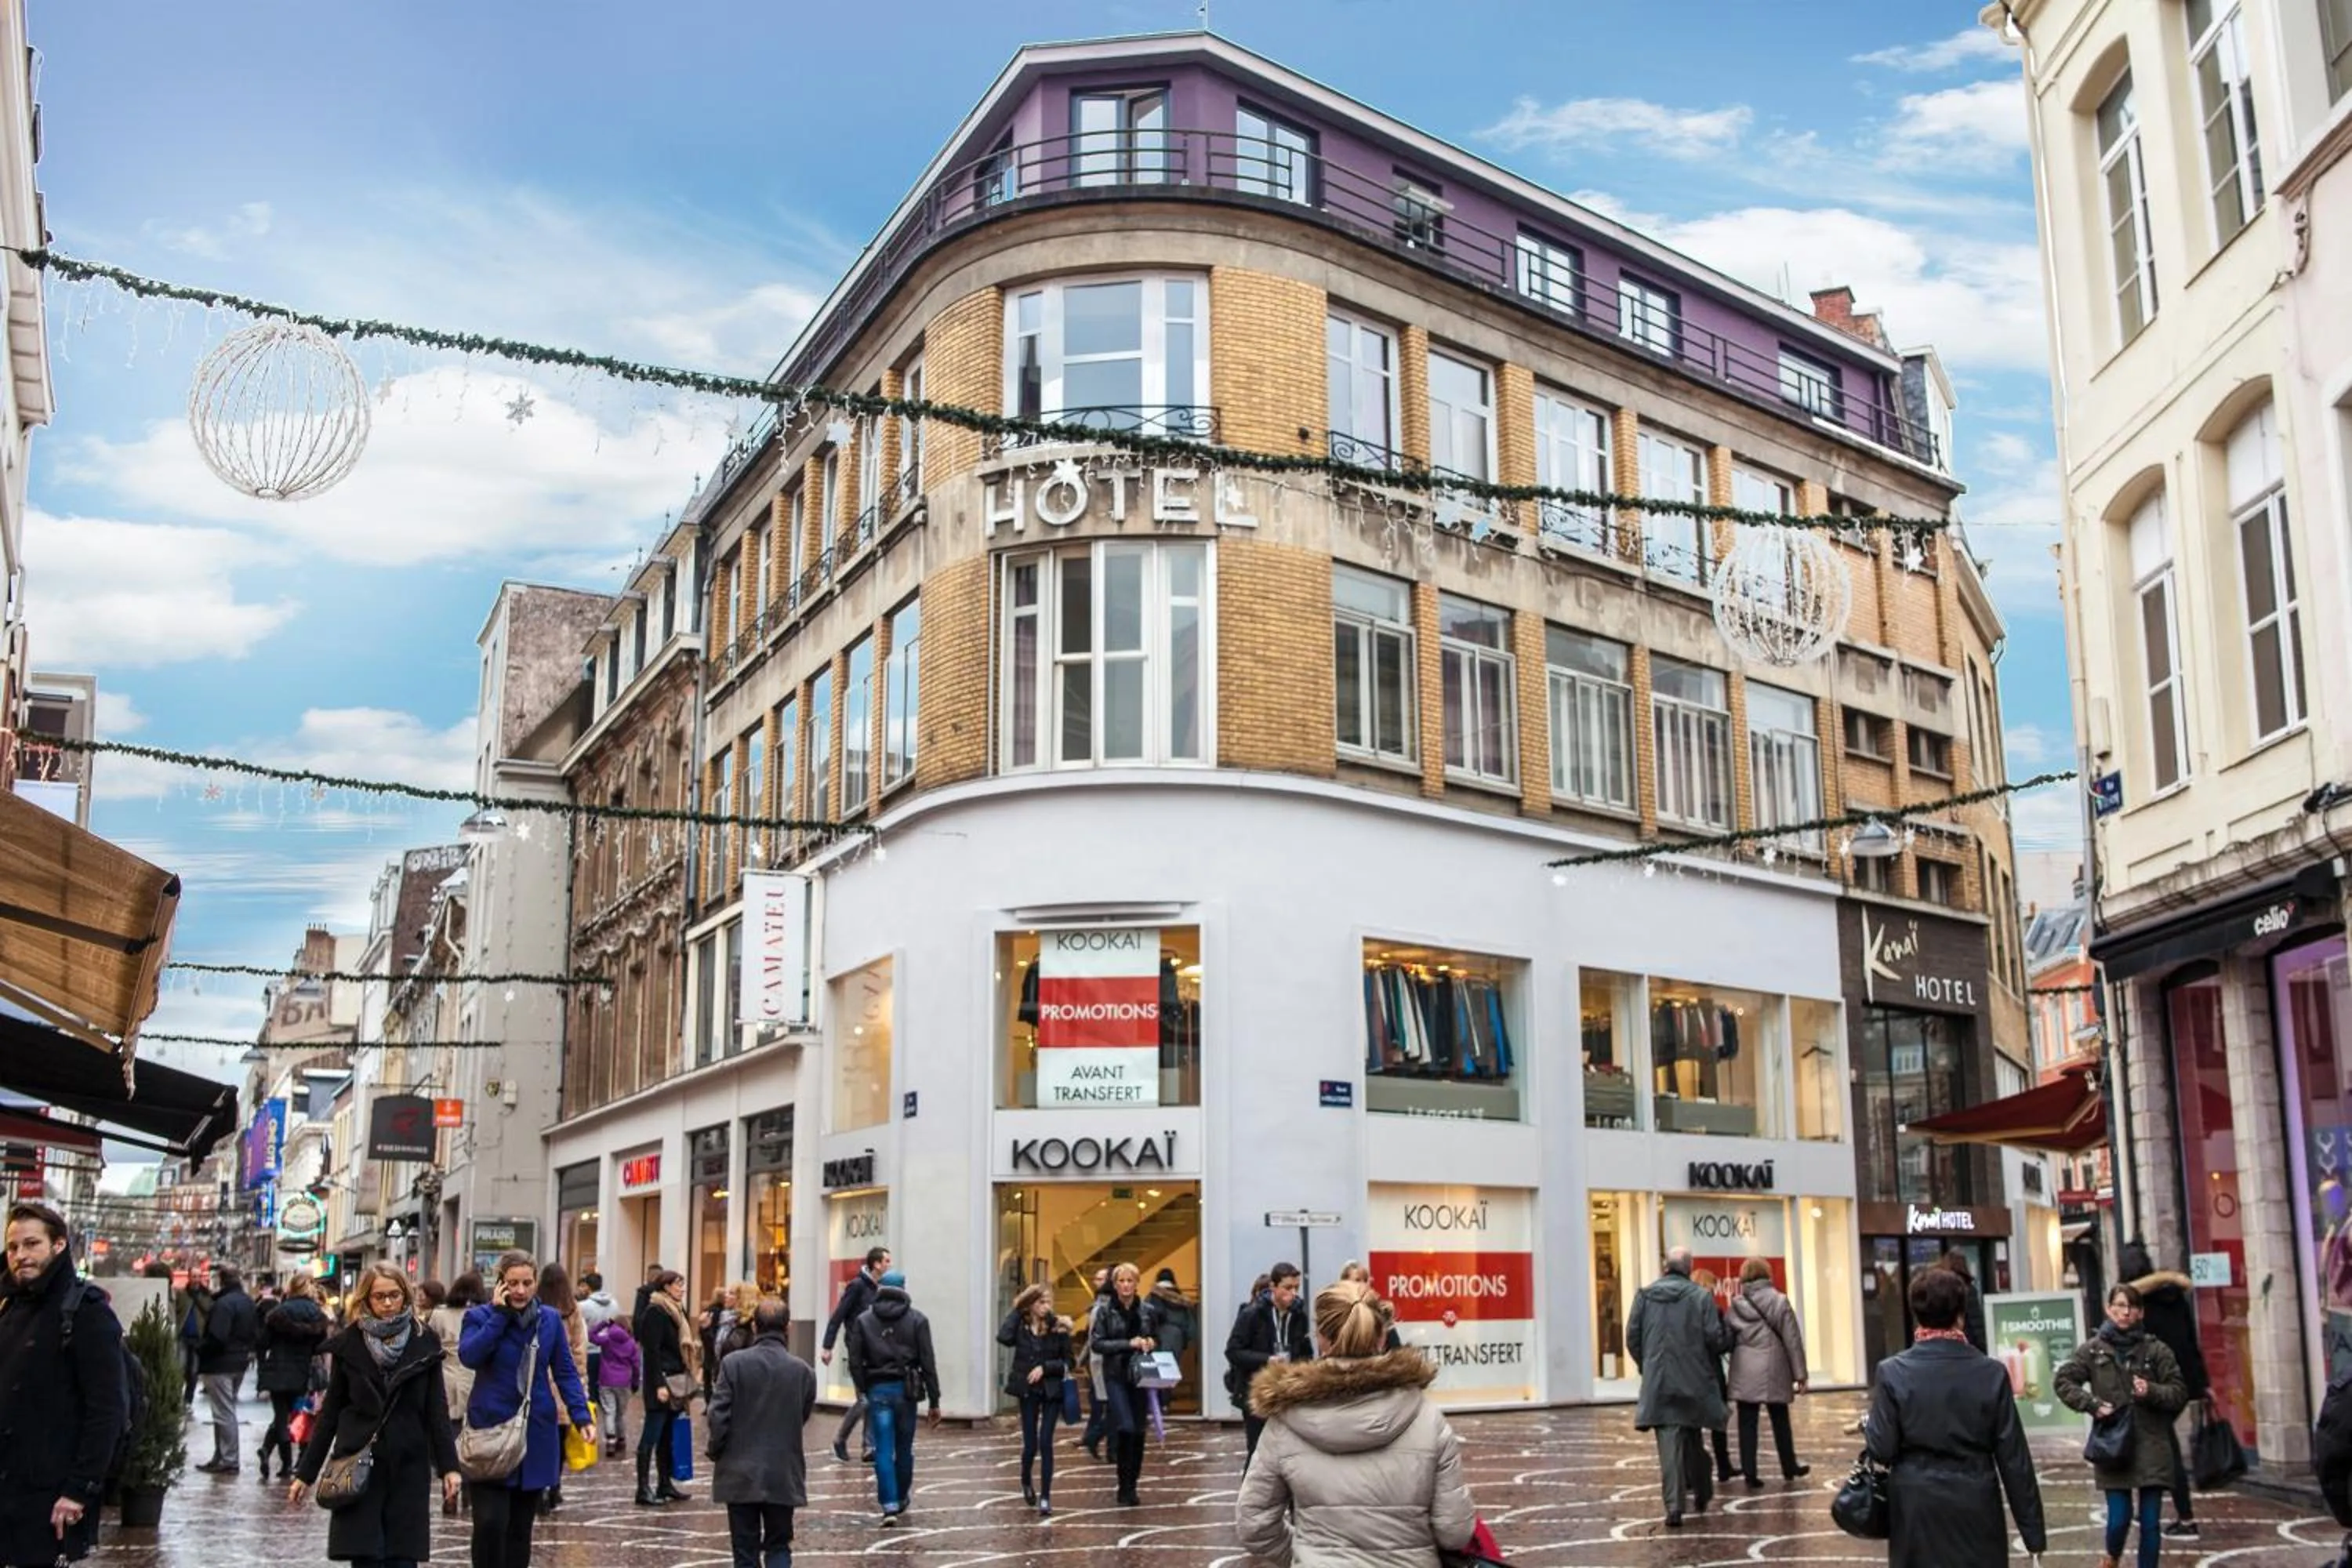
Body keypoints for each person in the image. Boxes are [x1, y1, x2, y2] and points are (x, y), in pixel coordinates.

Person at [1235, 1279, 1476, 1566]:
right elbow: (1454, 1532)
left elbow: (1254, 1524)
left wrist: (1306, 1555)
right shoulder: (1427, 1418)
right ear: (1382, 1337)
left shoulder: (1285, 1422)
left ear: (1321, 1339)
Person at [1867, 1265, 2046, 1567]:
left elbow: (1881, 1448)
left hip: (1915, 1506)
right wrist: (2033, 1535)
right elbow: (2014, 1459)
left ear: (1916, 1314)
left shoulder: (1892, 1373)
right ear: (1960, 1315)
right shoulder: (1991, 1373)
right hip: (1975, 1502)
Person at [288, 1263, 463, 1566]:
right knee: (366, 1557)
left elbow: (436, 1409)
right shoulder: (350, 1344)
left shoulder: (424, 1342)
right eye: (379, 1296)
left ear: (405, 1295)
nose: (388, 1303)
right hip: (359, 1466)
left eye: (394, 1295)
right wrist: (306, 1473)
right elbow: (330, 1414)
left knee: (401, 1559)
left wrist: (450, 1467)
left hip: (407, 1467)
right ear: (366, 1299)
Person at [0, 1201, 128, 1568]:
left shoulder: (85, 1311)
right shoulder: (9, 1307)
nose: (20, 1256)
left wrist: (79, 1489)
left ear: (58, 1245)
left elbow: (108, 1410)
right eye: (13, 1247)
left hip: (47, 1495)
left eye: (31, 1244)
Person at [458, 1250, 595, 1568]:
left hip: (535, 1430)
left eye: (527, 1283)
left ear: (536, 1283)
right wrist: (499, 1316)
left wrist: (581, 1415)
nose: (520, 1290)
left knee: (520, 1529)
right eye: (513, 1283)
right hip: (491, 1432)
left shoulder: (549, 1319)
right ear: (500, 1283)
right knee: (490, 1524)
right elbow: (470, 1356)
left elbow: (565, 1371)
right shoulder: (479, 1317)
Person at [2056, 1283, 2189, 1568]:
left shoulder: (2156, 1350)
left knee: (2150, 1523)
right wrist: (2092, 1405)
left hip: (2152, 1444)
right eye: (2119, 1306)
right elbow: (2064, 1381)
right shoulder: (2093, 1351)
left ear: (2141, 1312)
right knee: (2119, 1518)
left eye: (2132, 1307)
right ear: (2109, 1309)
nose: (2125, 1312)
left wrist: (2151, 1391)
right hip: (2113, 1445)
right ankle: (2112, 1557)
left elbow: (2179, 1392)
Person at [1625, 1246, 1733, 1528]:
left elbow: (1632, 1337)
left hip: (1659, 1380)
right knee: (1693, 1437)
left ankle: (1674, 1507)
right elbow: (1714, 1338)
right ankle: (1702, 1490)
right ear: (1689, 1267)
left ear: (1666, 1266)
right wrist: (1727, 1339)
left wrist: (1647, 1365)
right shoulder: (1701, 1297)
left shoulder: (1644, 1296)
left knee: (1668, 1444)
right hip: (1693, 1378)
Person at [707, 1298, 815, 1568]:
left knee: (745, 1548)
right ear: (787, 1327)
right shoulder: (803, 1372)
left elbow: (718, 1414)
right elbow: (801, 1415)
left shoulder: (733, 1364)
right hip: (782, 1470)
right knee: (779, 1544)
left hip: (739, 1469)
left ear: (755, 1326)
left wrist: (716, 1448)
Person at [2122, 1241, 2210, 1541]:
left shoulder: (2134, 1306)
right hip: (2181, 1382)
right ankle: (2151, 1509)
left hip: (2156, 1387)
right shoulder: (2173, 1296)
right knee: (2156, 1444)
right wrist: (2202, 1382)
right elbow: (2190, 1339)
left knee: (2165, 1449)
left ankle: (2186, 1518)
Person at [843, 1268, 940, 1526]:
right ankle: (901, 1496)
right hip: (906, 1391)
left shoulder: (864, 1321)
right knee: (904, 1448)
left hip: (878, 1390)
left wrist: (863, 1387)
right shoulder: (918, 1320)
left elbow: (855, 1360)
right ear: (904, 1289)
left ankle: (889, 1504)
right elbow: (928, 1362)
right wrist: (935, 1400)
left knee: (883, 1449)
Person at [1725, 1258, 1809, 1486]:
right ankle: (1789, 1466)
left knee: (1747, 1423)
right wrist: (1800, 1375)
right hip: (1774, 1366)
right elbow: (1792, 1340)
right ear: (1767, 1274)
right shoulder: (1779, 1301)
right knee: (1780, 1419)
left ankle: (1750, 1473)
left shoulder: (1737, 1304)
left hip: (1745, 1368)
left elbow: (1728, 1338)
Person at [1088, 1263, 1161, 1507]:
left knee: (1139, 1430)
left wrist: (1150, 1343)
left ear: (1137, 1283)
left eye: (1130, 1281)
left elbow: (1157, 1338)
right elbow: (1097, 1344)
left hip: (1141, 1375)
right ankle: (1123, 1483)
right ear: (1115, 1284)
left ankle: (1132, 1484)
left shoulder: (1147, 1310)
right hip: (1116, 1374)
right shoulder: (1105, 1311)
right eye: (1121, 1281)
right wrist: (1128, 1344)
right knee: (1126, 1426)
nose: (1126, 1285)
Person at [1227, 1262, 1315, 1465]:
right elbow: (1233, 1351)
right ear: (1273, 1287)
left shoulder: (1298, 1315)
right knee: (1258, 1451)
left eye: (1296, 1288)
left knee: (1288, 1450)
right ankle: (1251, 1487)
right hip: (1258, 1391)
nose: (1293, 1294)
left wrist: (1301, 1369)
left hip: (1287, 1390)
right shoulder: (1252, 1314)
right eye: (1287, 1288)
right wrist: (1267, 1360)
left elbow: (1305, 1351)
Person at [996, 1283, 1072, 1515]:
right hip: (1028, 1390)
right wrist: (1018, 1309)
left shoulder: (1058, 1327)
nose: (1046, 1307)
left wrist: (1045, 1368)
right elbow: (1003, 1337)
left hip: (1051, 1390)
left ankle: (1046, 1496)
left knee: (1046, 1441)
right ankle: (1026, 1480)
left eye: (1048, 1302)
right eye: (1041, 1302)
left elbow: (1070, 1361)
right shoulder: (1020, 1326)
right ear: (1030, 1305)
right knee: (1030, 1444)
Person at [256, 1271, 332, 1481]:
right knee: (299, 1417)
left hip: (277, 1372)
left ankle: (286, 1463)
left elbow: (263, 1342)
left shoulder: (279, 1313)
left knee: (281, 1417)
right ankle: (287, 1463)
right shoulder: (317, 1316)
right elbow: (321, 1347)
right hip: (302, 1374)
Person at [634, 1268, 700, 1508]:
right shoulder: (656, 1311)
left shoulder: (676, 1310)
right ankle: (643, 1488)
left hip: (676, 1380)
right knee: (651, 1435)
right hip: (662, 1383)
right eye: (677, 1284)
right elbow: (651, 1352)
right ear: (665, 1287)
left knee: (667, 1436)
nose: (682, 1289)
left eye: (683, 1284)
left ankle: (664, 1483)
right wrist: (658, 1385)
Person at [821, 1247, 889, 1465]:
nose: (889, 1265)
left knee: (871, 1396)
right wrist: (827, 1346)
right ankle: (839, 1440)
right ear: (876, 1264)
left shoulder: (879, 1288)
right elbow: (838, 1315)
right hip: (857, 1350)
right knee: (865, 1399)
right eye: (886, 1261)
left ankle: (869, 1447)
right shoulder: (858, 1286)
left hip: (874, 1350)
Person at [533, 1262, 589, 1517]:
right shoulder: (572, 1309)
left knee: (538, 1439)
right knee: (560, 1438)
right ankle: (554, 1486)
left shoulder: (536, 1307)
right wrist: (578, 1378)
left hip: (540, 1380)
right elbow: (579, 1347)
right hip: (563, 1382)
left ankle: (540, 1488)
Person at [198, 1263, 263, 1474]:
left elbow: (217, 1336)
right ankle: (222, 1456)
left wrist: (201, 1349)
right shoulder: (247, 1302)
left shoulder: (223, 1304)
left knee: (223, 1412)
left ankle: (228, 1458)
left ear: (221, 1280)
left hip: (220, 1363)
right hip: (239, 1361)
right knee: (225, 1410)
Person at [1689, 1267, 1735, 1484]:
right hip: (1711, 1372)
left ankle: (1692, 1472)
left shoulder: (1683, 1310)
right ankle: (1723, 1466)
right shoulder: (1713, 1310)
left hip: (1690, 1371)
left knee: (1692, 1425)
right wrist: (1730, 1335)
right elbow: (1719, 1343)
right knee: (1718, 1421)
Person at [589, 1310, 640, 1459]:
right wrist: (635, 1382)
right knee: (620, 1413)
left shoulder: (607, 1339)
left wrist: (604, 1323)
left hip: (606, 1380)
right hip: (624, 1382)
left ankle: (610, 1441)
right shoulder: (631, 1343)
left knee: (609, 1411)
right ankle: (621, 1440)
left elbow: (591, 1336)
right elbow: (636, 1366)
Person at [1078, 1266, 1113, 1462]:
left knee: (1110, 1406)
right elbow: (1094, 1339)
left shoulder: (1101, 1306)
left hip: (1101, 1361)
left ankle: (1102, 1443)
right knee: (1111, 1406)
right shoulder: (1101, 1308)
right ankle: (1096, 1438)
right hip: (1103, 1361)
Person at [1338, 1261, 1405, 1351]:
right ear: (1344, 1285)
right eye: (1357, 1280)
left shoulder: (1379, 1311)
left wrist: (1387, 1320)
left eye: (1365, 1280)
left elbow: (1396, 1350)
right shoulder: (1337, 1313)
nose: (1363, 1284)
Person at [177, 1272, 215, 1408]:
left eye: (198, 1276)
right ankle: (177, 1398)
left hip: (198, 1337)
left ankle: (188, 1400)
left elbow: (209, 1311)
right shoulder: (182, 1294)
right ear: (189, 1277)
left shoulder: (206, 1295)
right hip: (183, 1335)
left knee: (193, 1371)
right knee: (180, 1367)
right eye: (193, 1276)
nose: (196, 1279)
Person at [1942, 1250, 1989, 1352]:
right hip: (1967, 1344)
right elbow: (1976, 1321)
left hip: (1952, 1344)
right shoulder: (1968, 1288)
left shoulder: (1945, 1289)